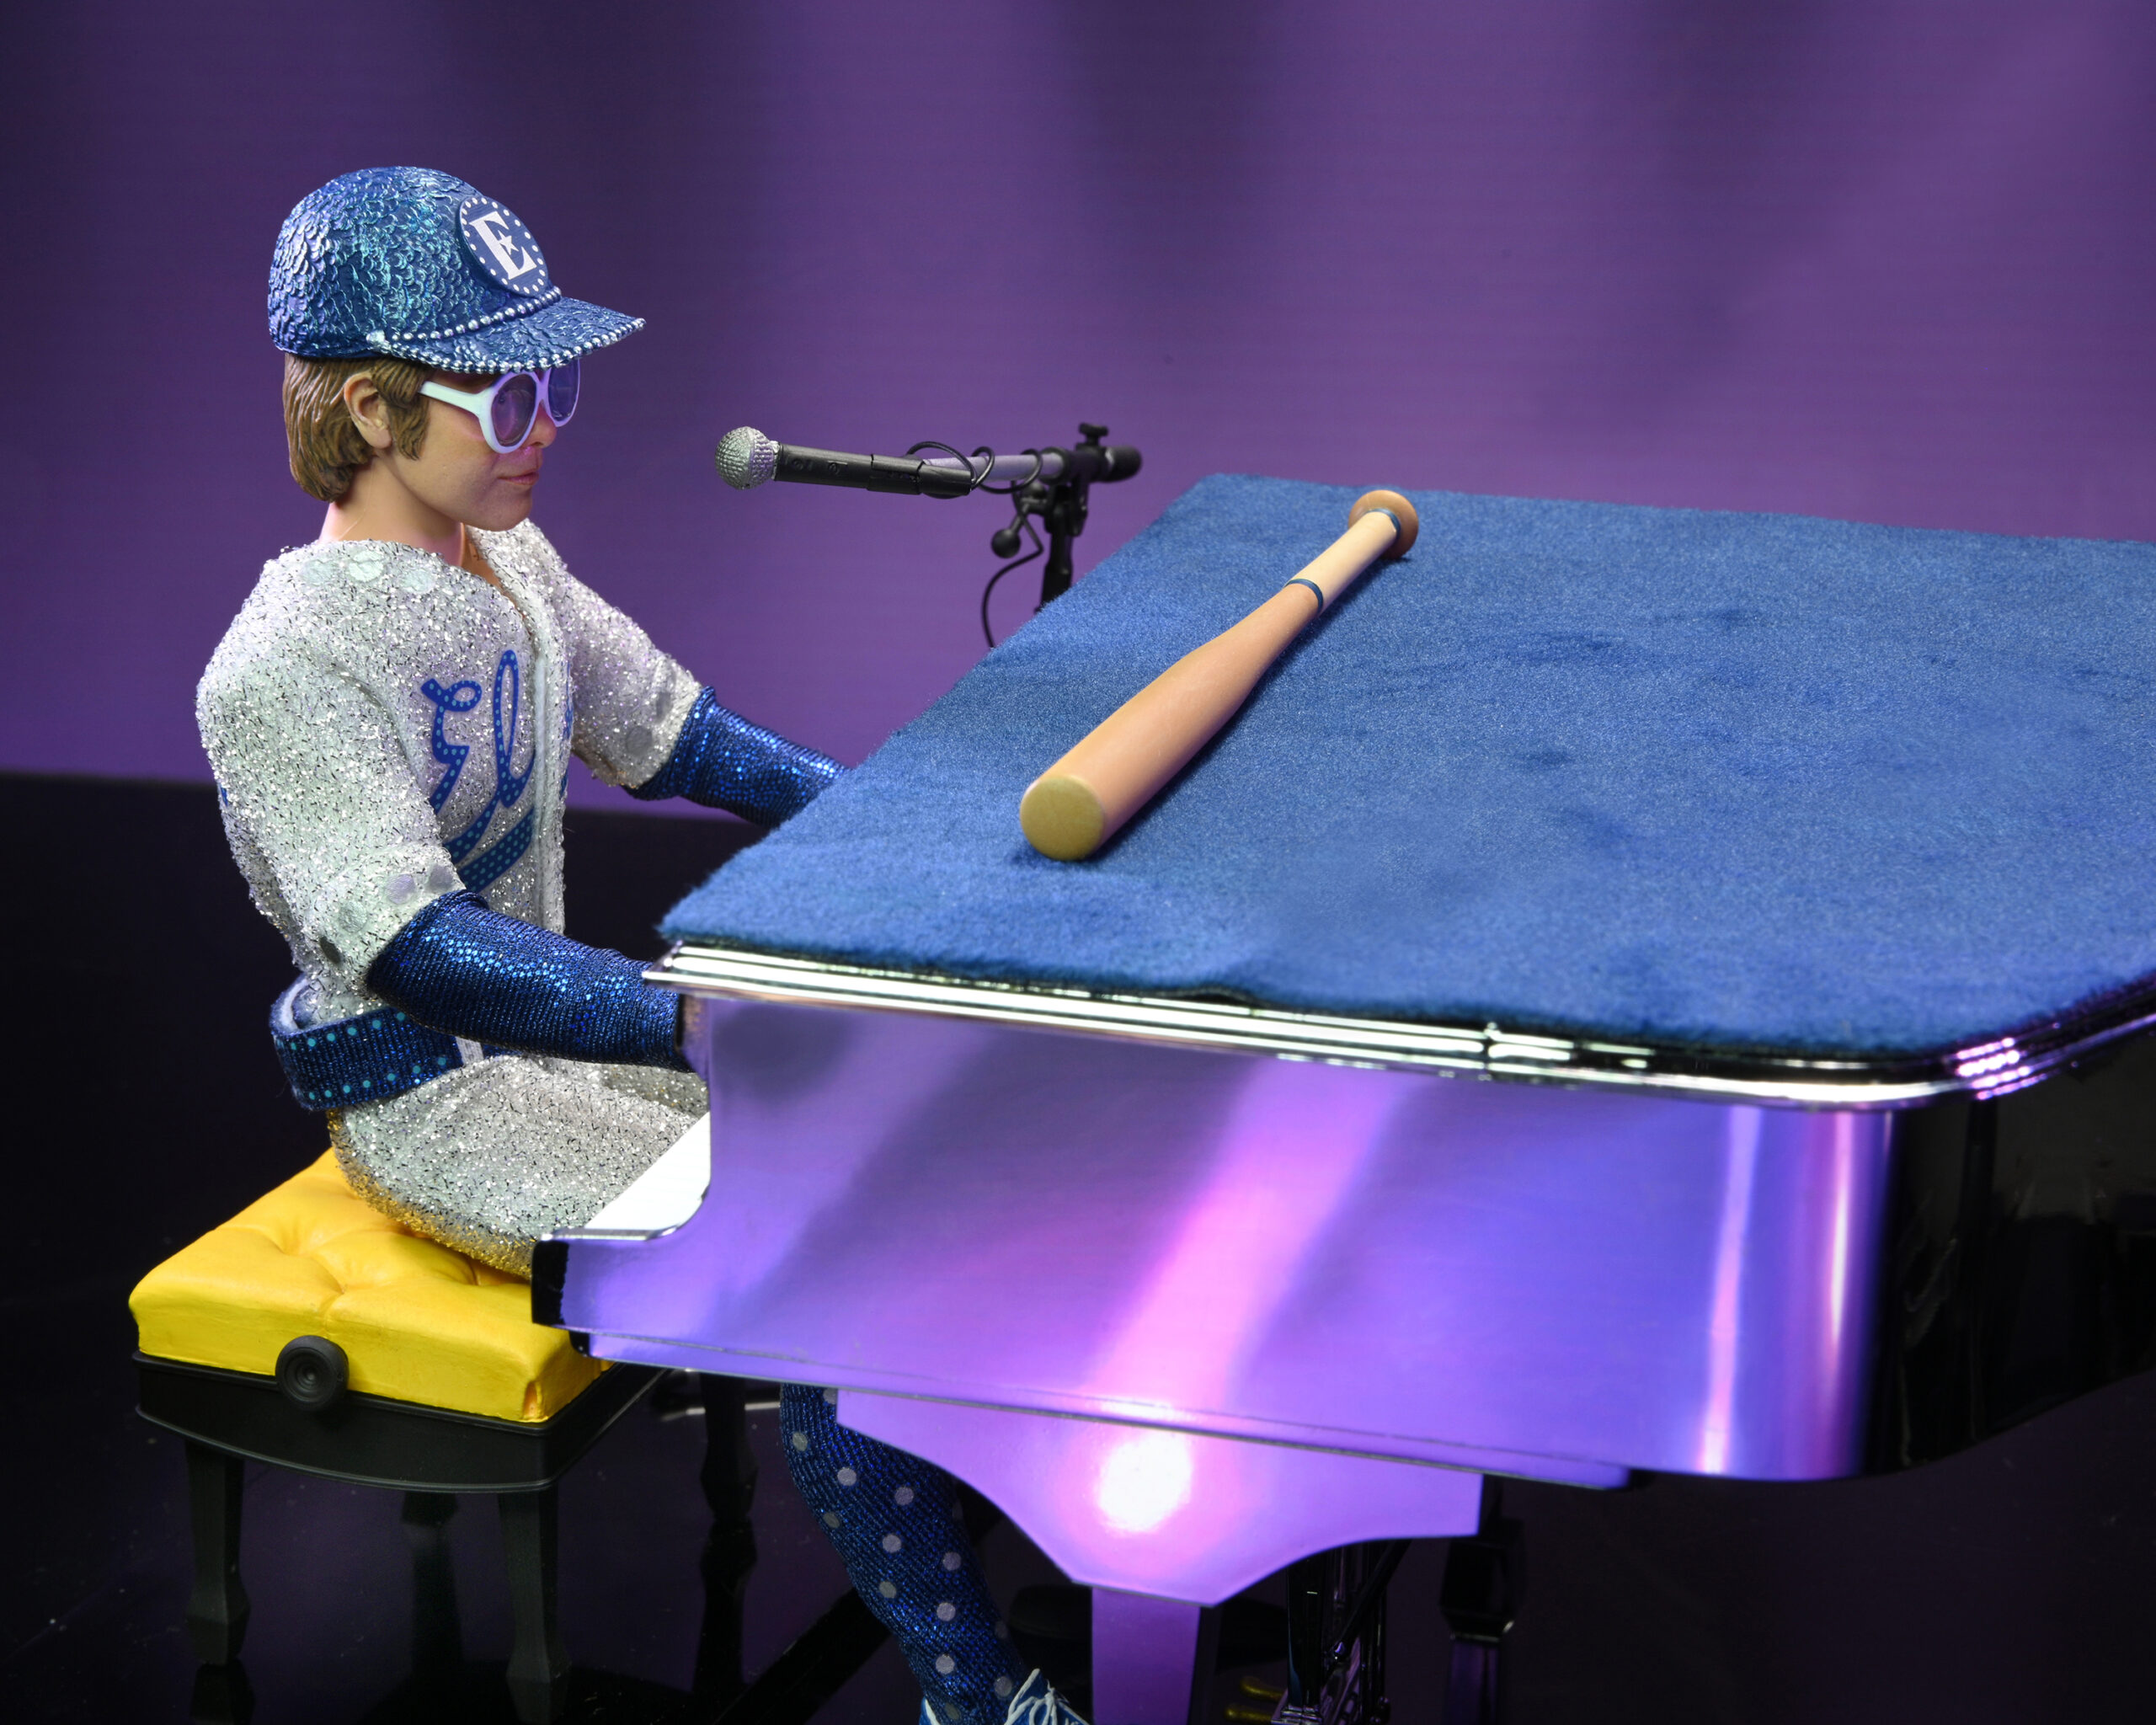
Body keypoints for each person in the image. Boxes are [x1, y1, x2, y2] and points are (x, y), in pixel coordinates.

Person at [200, 166, 1078, 1725]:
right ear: (372, 410)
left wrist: (893, 832)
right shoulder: (281, 668)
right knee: (812, 1246)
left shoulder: (512, 564)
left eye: (559, 388)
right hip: (435, 1102)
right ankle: (968, 1687)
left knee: (906, 1143)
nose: (543, 428)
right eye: (507, 394)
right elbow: (419, 949)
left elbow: (680, 735)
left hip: (557, 1050)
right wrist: (691, 1017)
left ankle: (1014, 1539)